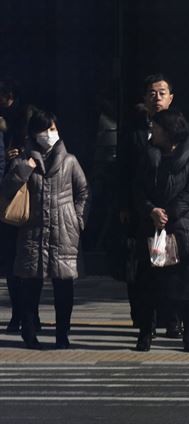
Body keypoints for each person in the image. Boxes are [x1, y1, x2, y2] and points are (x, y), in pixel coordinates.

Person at [0, 109, 89, 349]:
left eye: (52, 129)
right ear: (33, 133)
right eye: (44, 130)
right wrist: (23, 169)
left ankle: (62, 335)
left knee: (64, 286)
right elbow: (6, 190)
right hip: (32, 231)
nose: (49, 134)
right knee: (30, 285)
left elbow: (83, 192)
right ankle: (29, 333)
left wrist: (77, 219)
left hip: (63, 231)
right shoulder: (22, 161)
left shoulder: (69, 161)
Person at [133, 109, 189, 352]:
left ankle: (188, 333)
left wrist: (170, 213)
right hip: (153, 228)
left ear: (168, 132)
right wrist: (151, 210)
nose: (151, 132)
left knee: (185, 286)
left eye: (155, 128)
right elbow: (138, 189)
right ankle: (145, 333)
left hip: (184, 228)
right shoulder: (148, 155)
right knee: (148, 284)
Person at [116, 73, 183, 338]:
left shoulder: (183, 128)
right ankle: (146, 320)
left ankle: (173, 319)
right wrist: (124, 204)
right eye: (152, 93)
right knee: (142, 266)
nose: (157, 98)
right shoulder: (133, 131)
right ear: (145, 98)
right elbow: (122, 170)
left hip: (172, 210)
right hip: (141, 207)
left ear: (171, 97)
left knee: (173, 265)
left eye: (162, 93)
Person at [0, 79, 38, 333]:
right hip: (13, 203)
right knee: (18, 264)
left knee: (21, 264)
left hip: (23, 203)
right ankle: (24, 315)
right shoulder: (6, 129)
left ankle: (25, 315)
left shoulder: (25, 123)